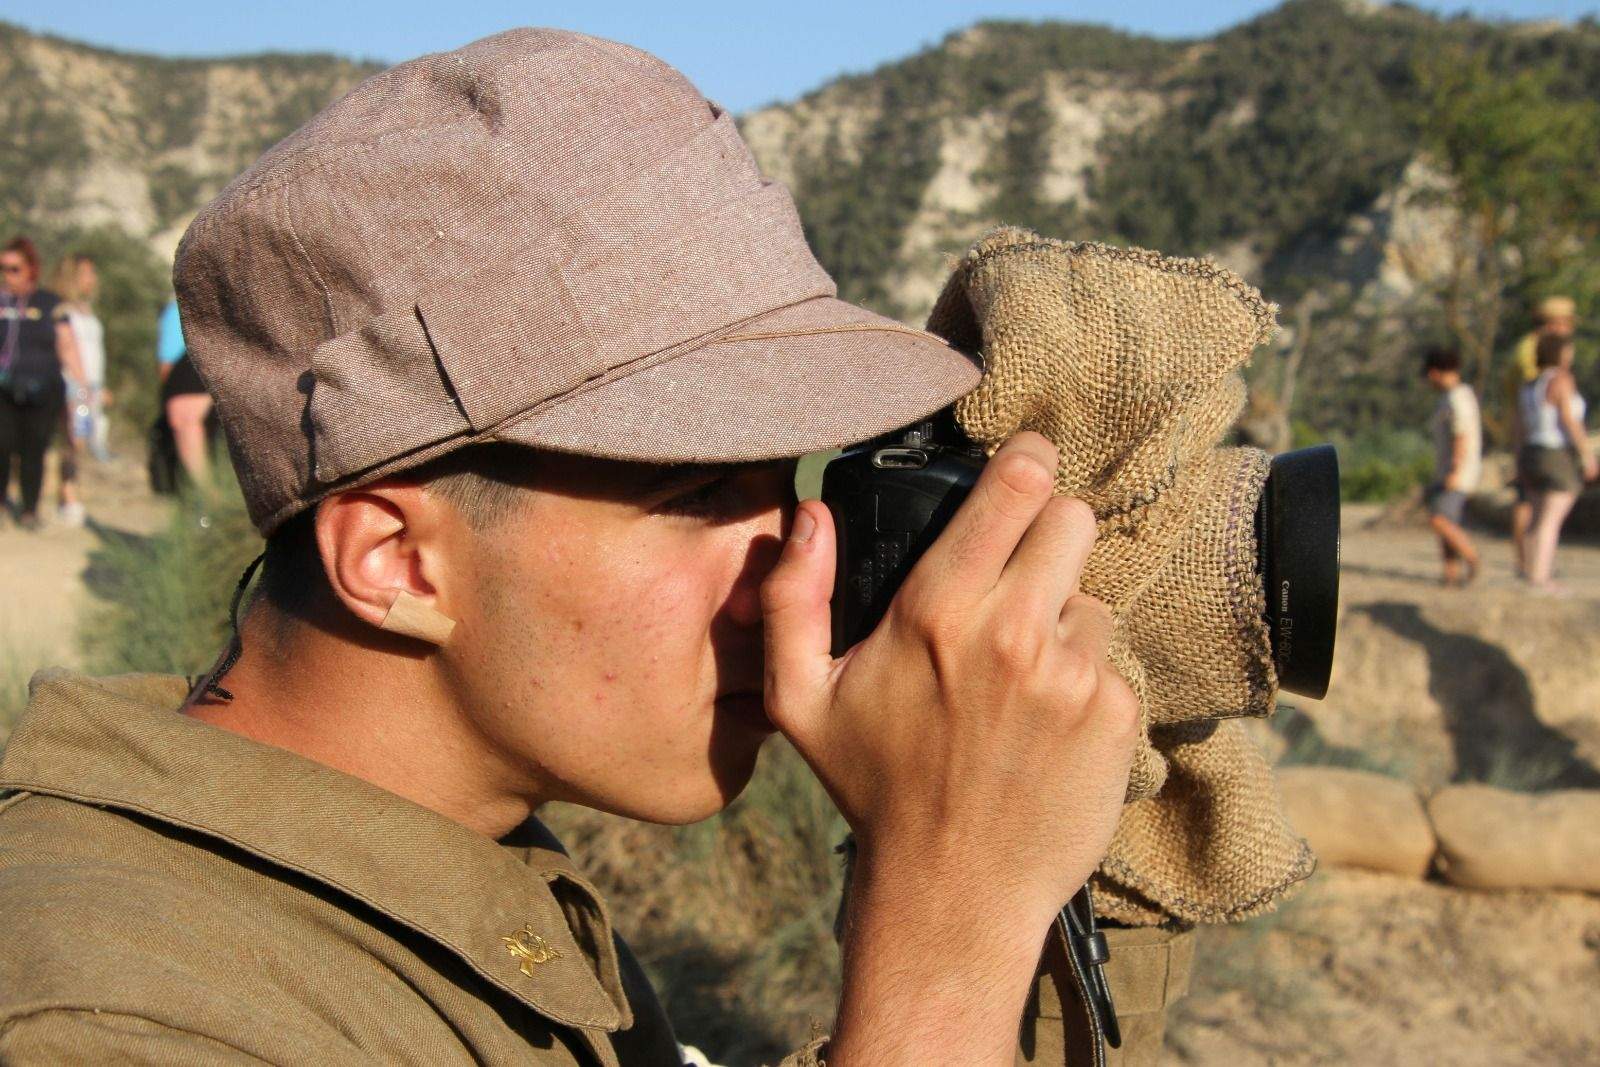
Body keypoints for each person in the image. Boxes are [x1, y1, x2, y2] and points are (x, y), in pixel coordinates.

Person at [0, 31, 1139, 1066]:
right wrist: (944, 922)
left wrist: (1026, 839)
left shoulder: (445, 859)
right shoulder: (124, 1010)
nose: (797, 569)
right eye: (697, 494)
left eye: (785, 484)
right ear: (394, 560)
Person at [0, 236, 89, 530]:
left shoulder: (50, 304)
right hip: (4, 388)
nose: (8, 275)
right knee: (2, 445)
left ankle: (29, 509)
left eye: (15, 268)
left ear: (31, 269)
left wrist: (83, 387)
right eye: (3, 268)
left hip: (44, 389)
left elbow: (67, 346)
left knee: (33, 449)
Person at [1516, 333, 1596, 592]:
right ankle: (1540, 578)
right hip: (1555, 453)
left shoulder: (1529, 385)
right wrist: (1586, 454)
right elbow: (1568, 420)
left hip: (1531, 451)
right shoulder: (1561, 379)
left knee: (1538, 516)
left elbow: (1519, 428)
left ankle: (1530, 570)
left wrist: (1519, 459)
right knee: (1551, 518)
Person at [1505, 296, 1577, 577]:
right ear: (1554, 323)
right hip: (1534, 436)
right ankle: (1529, 564)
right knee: (1529, 502)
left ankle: (1534, 563)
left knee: (1533, 502)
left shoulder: (1532, 347)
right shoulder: (1534, 351)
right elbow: (1540, 394)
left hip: (1529, 434)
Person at [47, 253, 108, 526]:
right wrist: (81, 384)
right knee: (74, 439)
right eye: (87, 273)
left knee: (81, 440)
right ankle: (67, 496)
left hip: (90, 383)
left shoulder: (86, 310)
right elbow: (66, 349)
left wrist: (98, 386)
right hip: (73, 383)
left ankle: (70, 493)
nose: (92, 279)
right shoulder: (63, 311)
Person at [1422, 347, 1483, 586]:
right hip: (1447, 470)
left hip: (1457, 472)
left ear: (1435, 372)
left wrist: (1455, 470)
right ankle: (1450, 574)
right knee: (1448, 520)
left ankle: (1473, 558)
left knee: (1439, 520)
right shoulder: (1450, 397)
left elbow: (1461, 435)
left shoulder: (1458, 397)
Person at [156, 295, 216, 486]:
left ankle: (205, 500)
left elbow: (167, 362)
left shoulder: (178, 309)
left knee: (187, 425)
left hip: (189, 384)